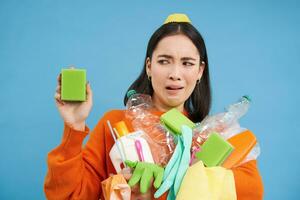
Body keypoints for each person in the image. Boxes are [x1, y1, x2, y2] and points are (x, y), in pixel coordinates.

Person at [44, 13, 264, 200]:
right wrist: (74, 126)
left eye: (187, 63)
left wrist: (163, 186)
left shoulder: (215, 135)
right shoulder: (116, 124)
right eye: (164, 61)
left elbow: (252, 190)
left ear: (200, 71)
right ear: (149, 66)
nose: (175, 74)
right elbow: (71, 196)